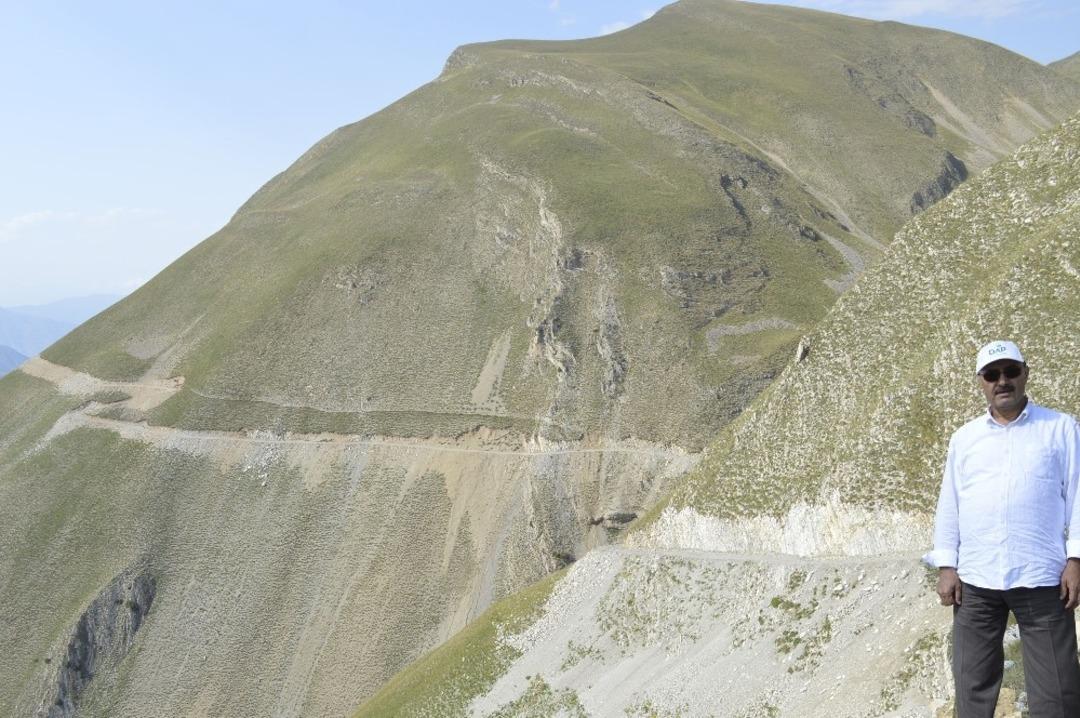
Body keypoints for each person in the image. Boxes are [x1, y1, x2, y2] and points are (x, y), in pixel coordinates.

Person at [924, 340, 1080, 716]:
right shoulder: (965, 439)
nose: (1002, 381)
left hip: (1043, 577)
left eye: (1010, 371)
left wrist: (1076, 558)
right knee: (972, 685)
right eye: (993, 374)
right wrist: (947, 566)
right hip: (976, 581)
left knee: (1057, 691)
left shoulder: (1060, 428)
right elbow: (951, 503)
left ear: (1026, 373)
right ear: (981, 382)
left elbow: (1079, 495)